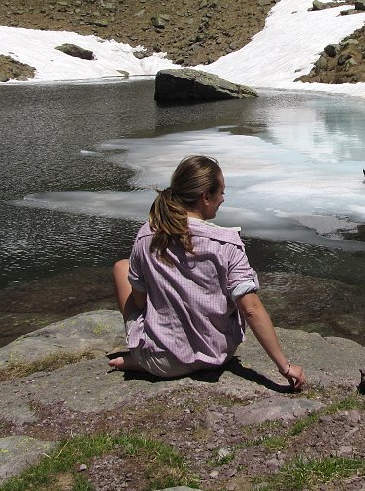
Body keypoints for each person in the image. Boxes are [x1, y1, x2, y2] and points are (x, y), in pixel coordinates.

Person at [109, 155, 306, 391]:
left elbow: (139, 302)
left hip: (161, 364)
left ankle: (143, 355)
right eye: (221, 192)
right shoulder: (228, 244)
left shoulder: (147, 236)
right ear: (206, 197)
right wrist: (285, 367)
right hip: (216, 354)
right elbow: (251, 309)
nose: (223, 198)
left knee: (122, 268)